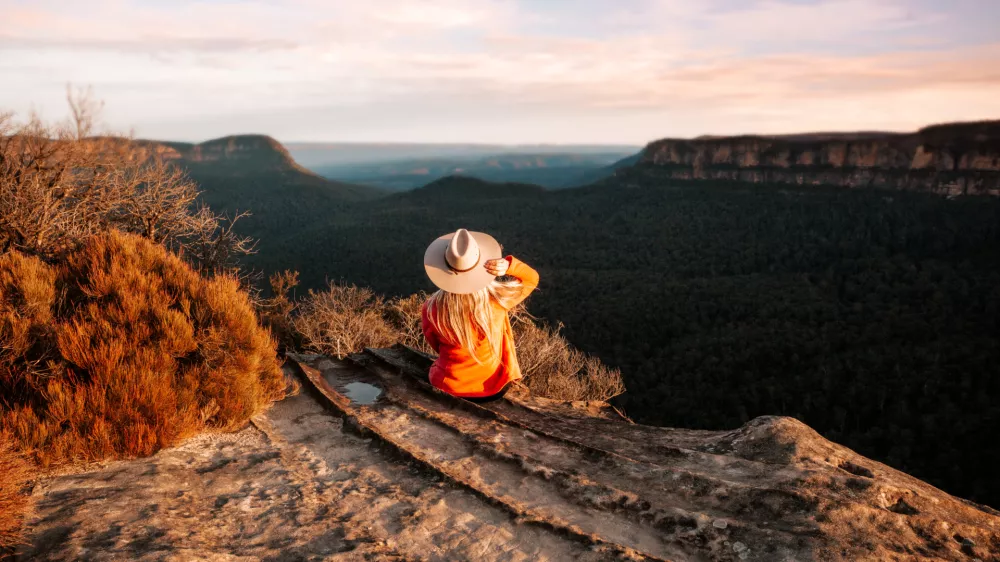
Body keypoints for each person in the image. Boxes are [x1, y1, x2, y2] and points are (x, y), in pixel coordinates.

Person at [421, 228, 539, 403]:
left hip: (447, 386)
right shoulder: (498, 302)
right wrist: (508, 266)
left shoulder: (431, 307)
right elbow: (532, 279)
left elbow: (435, 345)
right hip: (492, 388)